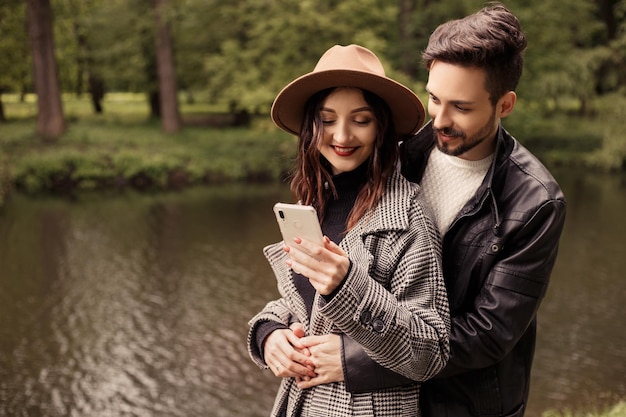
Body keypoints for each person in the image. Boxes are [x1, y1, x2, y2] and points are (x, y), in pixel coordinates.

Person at [292, 4, 568, 417]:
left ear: (504, 104)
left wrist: (358, 359)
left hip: (463, 404)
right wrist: (272, 333)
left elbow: (490, 333)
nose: (439, 120)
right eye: (434, 98)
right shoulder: (394, 157)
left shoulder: (535, 203)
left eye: (462, 107)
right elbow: (318, 283)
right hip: (378, 405)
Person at [246, 44, 450, 417]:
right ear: (311, 125)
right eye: (327, 119)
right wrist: (269, 333)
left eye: (360, 119)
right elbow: (306, 307)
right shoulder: (314, 203)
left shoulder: (408, 216)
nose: (342, 135)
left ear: (381, 126)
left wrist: (347, 286)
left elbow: (430, 351)